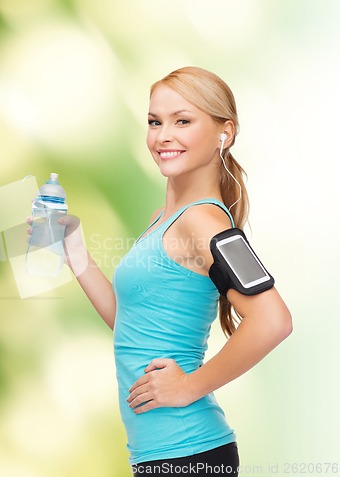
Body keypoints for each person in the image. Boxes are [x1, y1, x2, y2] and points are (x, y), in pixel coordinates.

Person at [28, 66, 292, 476]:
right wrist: (74, 252)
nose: (162, 135)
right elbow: (131, 327)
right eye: (154, 122)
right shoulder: (164, 220)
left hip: (190, 455)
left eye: (182, 121)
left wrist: (190, 386)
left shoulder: (203, 222)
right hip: (158, 456)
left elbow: (273, 319)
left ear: (225, 133)